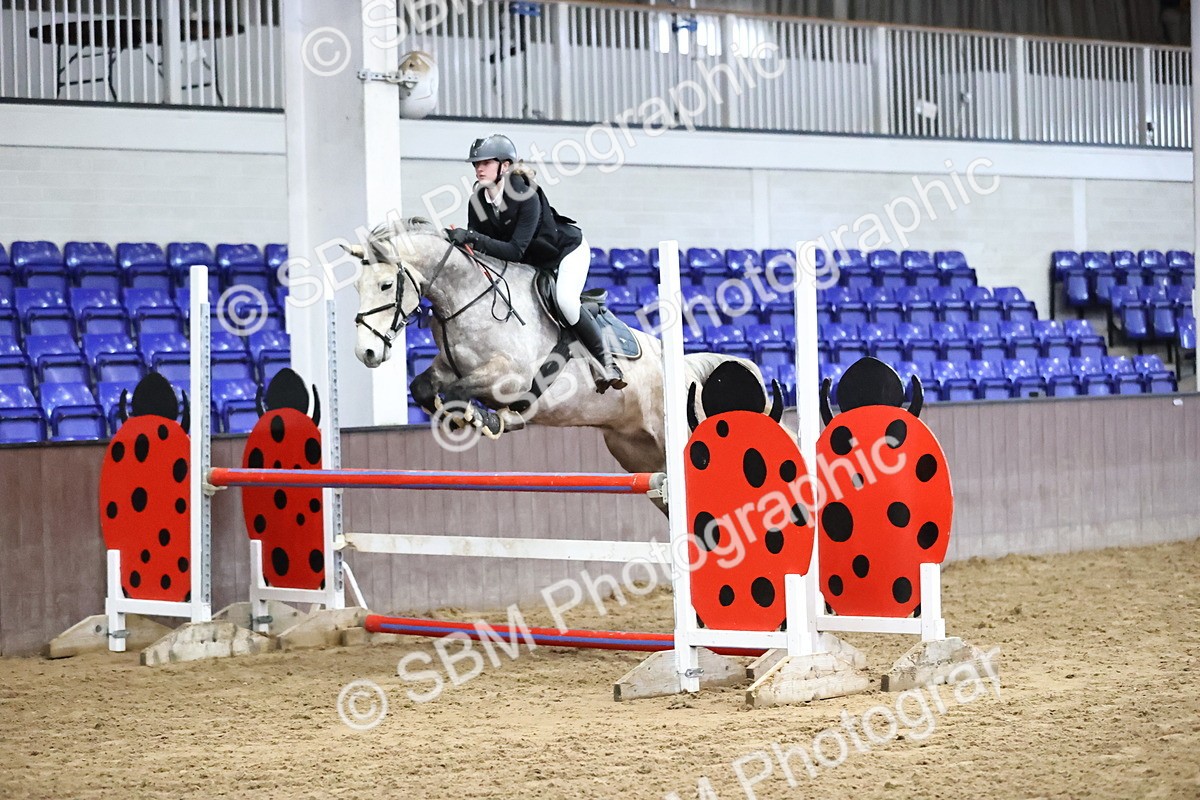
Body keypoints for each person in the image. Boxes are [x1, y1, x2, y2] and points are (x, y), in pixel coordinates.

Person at [445, 134, 625, 392]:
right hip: (531, 264)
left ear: (504, 166)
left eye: (485, 162)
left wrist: (472, 237)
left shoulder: (524, 193)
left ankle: (607, 363)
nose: (479, 168)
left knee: (565, 301)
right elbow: (482, 250)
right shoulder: (478, 202)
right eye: (476, 164)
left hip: (564, 253)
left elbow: (516, 250)